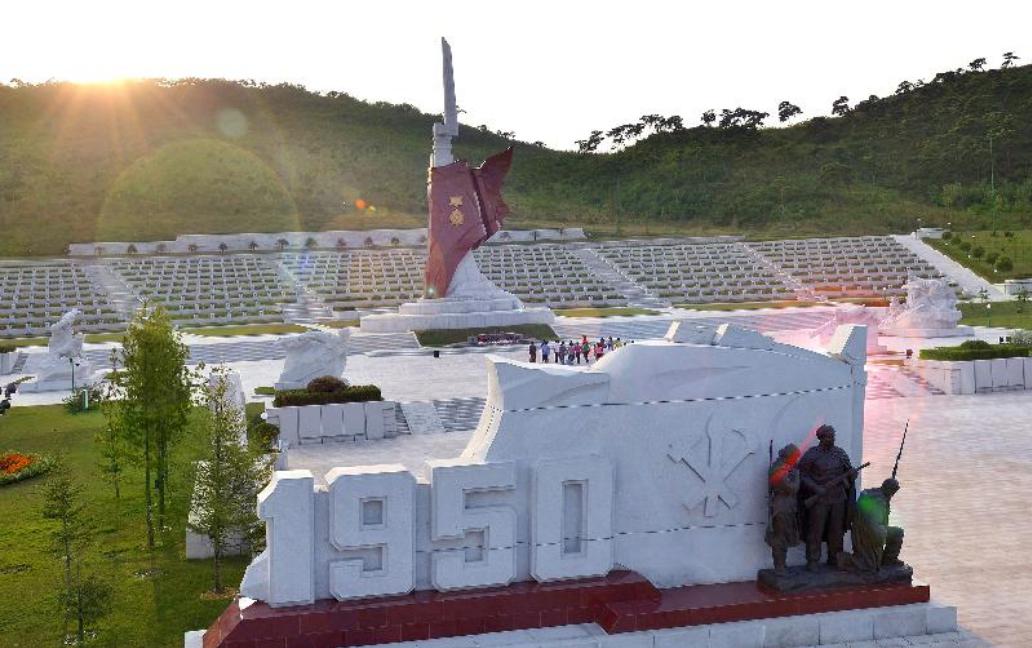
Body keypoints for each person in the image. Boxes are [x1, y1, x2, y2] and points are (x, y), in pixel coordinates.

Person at [798, 424, 856, 572]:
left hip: (838, 498)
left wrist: (852, 474)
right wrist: (816, 488)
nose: (832, 439)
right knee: (816, 531)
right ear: (821, 438)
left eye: (833, 436)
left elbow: (848, 471)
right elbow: (802, 475)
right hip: (819, 499)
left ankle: (834, 558)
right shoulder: (811, 455)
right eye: (829, 436)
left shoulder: (840, 454)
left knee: (836, 530)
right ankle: (813, 560)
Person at [840, 478, 904, 573]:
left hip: (860, 530)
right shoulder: (879, 502)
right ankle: (888, 560)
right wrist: (882, 535)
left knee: (894, 532)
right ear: (890, 490)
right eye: (893, 491)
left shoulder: (871, 493)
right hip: (868, 534)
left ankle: (886, 560)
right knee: (898, 533)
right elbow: (875, 528)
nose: (893, 494)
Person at [765, 444, 802, 575]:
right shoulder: (779, 471)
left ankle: (782, 565)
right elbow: (793, 488)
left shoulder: (784, 468)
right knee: (780, 538)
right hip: (782, 507)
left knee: (784, 536)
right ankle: (779, 566)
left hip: (787, 505)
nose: (797, 460)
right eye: (795, 457)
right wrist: (797, 475)